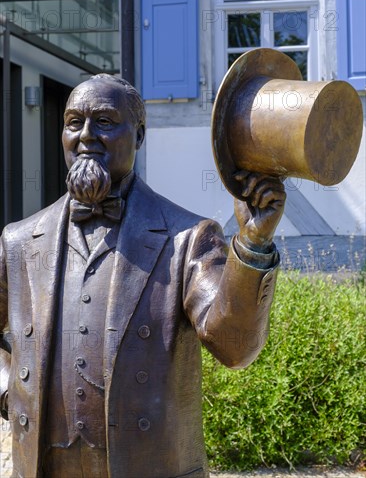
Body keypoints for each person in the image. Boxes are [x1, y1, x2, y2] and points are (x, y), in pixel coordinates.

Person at [0, 74, 285, 478]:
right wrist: (12, 388)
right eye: (73, 122)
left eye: (103, 122)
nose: (85, 136)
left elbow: (234, 347)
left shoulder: (187, 238)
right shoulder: (18, 241)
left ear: (139, 135)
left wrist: (253, 246)